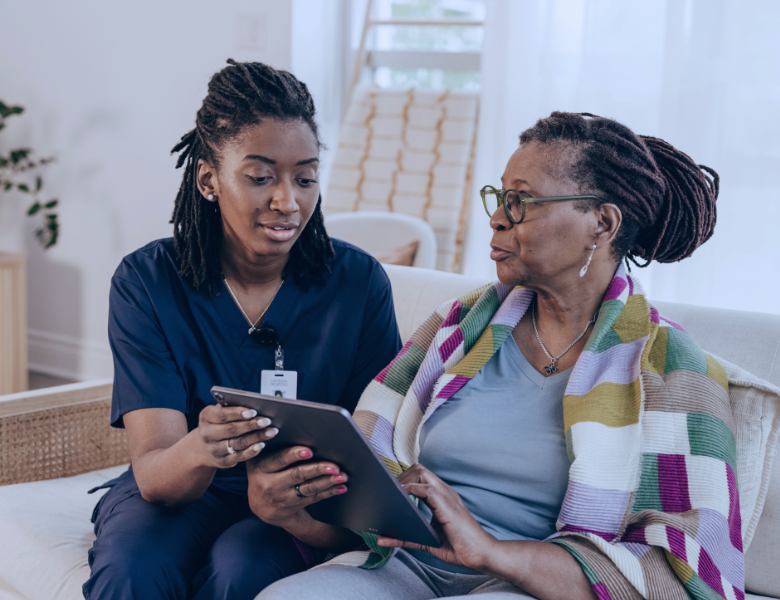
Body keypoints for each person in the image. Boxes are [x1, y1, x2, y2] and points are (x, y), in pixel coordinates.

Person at [255, 112, 744, 600]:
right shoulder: (459, 325)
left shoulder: (671, 365)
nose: (496, 218)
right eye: (500, 197)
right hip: (403, 564)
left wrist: (488, 550)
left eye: (521, 201)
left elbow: (679, 574)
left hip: (531, 586)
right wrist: (296, 516)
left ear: (602, 222)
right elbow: (372, 506)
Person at [83, 60, 402, 600]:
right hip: (187, 486)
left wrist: (300, 507)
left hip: (295, 500)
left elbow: (376, 455)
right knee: (131, 569)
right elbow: (158, 478)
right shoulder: (147, 282)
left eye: (305, 177)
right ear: (208, 179)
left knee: (241, 571)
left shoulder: (359, 283)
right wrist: (204, 447)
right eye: (260, 177)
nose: (288, 201)